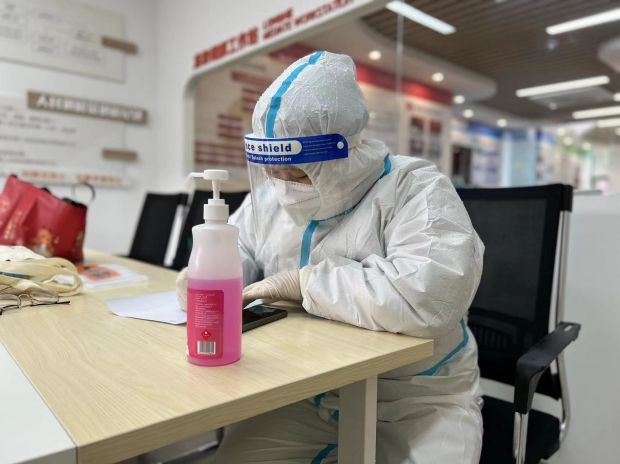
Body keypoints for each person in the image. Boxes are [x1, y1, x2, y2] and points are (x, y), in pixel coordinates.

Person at [177, 50, 484, 464]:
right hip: (307, 391)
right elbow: (242, 245)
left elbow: (428, 295)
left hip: (415, 397)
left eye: (296, 170)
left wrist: (305, 282)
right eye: (272, 168)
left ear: (344, 152)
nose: (281, 183)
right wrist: (216, 276)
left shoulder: (415, 189)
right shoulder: (269, 196)